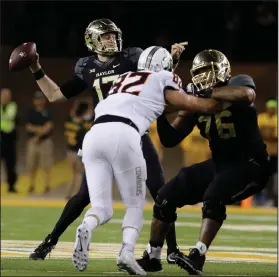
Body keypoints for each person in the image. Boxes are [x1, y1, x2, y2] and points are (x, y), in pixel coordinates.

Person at [27, 18, 185, 261]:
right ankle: (49, 241)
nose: (111, 39)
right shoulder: (86, 67)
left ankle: (172, 250)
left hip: (134, 132)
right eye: (106, 36)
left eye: (113, 35)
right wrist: (36, 68)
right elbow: (55, 95)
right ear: (92, 40)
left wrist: (172, 61)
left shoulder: (130, 58)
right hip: (107, 133)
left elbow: (157, 78)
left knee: (160, 191)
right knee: (83, 196)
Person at [72, 46, 225, 274]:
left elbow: (149, 99)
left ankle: (86, 226)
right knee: (135, 204)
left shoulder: (123, 78)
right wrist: (215, 102)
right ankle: (126, 252)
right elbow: (188, 103)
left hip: (93, 135)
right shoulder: (164, 77)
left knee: (101, 207)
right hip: (124, 133)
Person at [136, 49, 271, 275]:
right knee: (167, 195)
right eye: (199, 74)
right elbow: (170, 139)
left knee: (214, 196)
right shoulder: (197, 100)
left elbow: (247, 95)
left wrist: (207, 92)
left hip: (250, 164)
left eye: (208, 72)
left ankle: (198, 254)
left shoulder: (237, 82)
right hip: (220, 164)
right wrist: (160, 112)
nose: (203, 78)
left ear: (222, 70)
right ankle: (153, 255)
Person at [25, 91, 54, 194]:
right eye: (37, 99)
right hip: (32, 142)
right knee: (31, 165)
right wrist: (40, 130)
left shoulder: (48, 112)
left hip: (45, 142)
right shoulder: (30, 112)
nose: (39, 101)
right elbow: (28, 127)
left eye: (41, 99)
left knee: (46, 165)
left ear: (44, 101)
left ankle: (47, 185)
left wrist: (37, 133)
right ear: (34, 101)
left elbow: (48, 127)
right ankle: (31, 185)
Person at [64, 101, 90, 199]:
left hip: (69, 151)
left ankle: (67, 194)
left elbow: (73, 112)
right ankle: (76, 195)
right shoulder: (82, 127)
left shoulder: (69, 122)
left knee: (72, 173)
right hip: (77, 152)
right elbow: (82, 143)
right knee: (78, 174)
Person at [257, 98, 277, 206]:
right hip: (261, 151)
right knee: (258, 175)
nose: (271, 110)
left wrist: (265, 134)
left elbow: (275, 137)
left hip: (273, 153)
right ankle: (258, 198)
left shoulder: (276, 119)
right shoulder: (261, 118)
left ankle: (270, 199)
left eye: (273, 108)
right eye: (270, 108)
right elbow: (256, 132)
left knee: (272, 177)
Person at [0, 88, 18, 193]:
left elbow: (10, 117)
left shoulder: (13, 106)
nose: (4, 98)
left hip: (9, 139)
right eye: (3, 96)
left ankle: (11, 186)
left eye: (6, 96)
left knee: (10, 164)